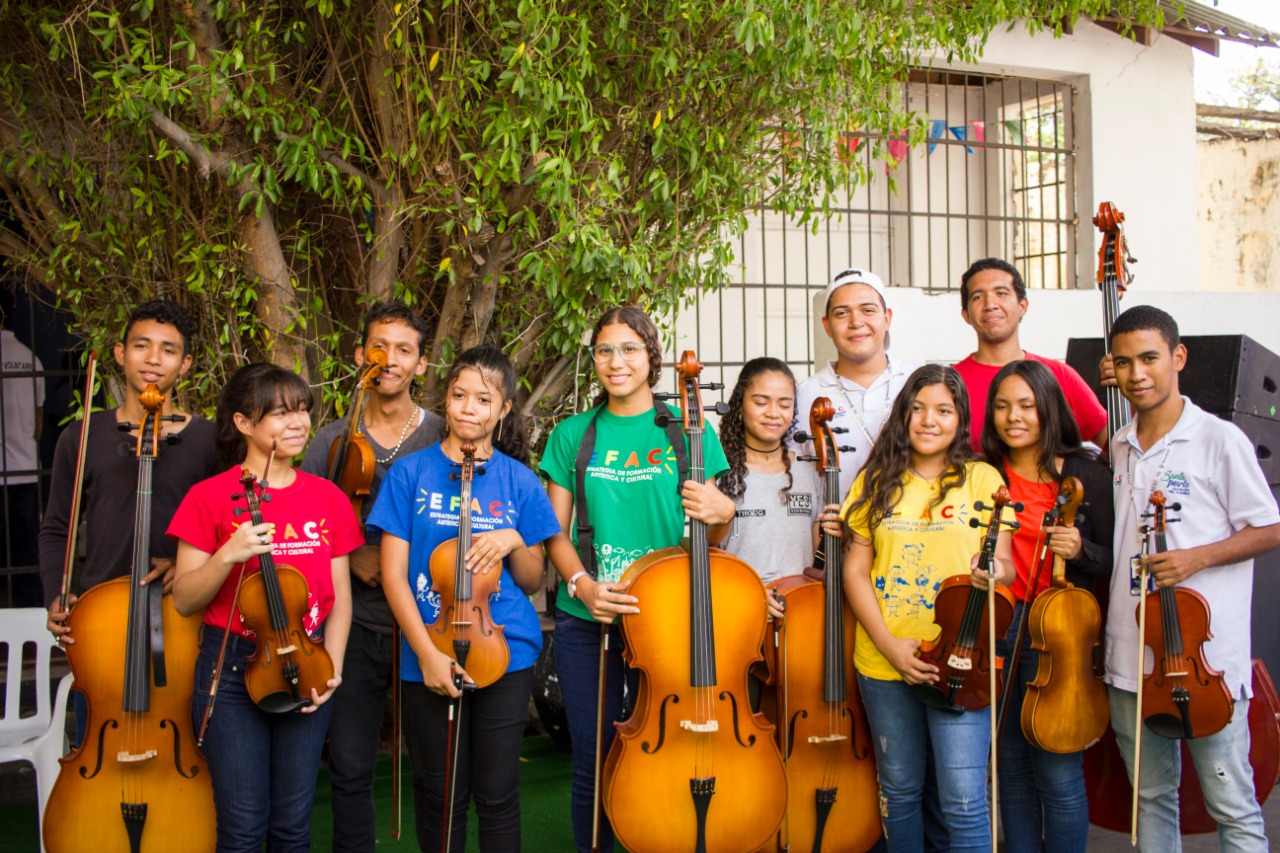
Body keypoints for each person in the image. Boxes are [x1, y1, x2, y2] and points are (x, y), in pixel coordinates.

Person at [539, 306, 736, 853]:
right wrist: (582, 585)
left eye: (629, 349)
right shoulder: (572, 434)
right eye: (604, 350)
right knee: (594, 758)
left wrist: (725, 514)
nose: (616, 361)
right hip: (589, 619)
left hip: (671, 618)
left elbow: (710, 537)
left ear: (652, 357)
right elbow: (554, 532)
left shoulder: (691, 431)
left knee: (672, 749)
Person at [1103, 305, 1280, 852]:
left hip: (1205, 665)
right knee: (1151, 799)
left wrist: (1196, 558)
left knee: (1233, 806)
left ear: (1178, 357)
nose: (1137, 374)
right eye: (1124, 362)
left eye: (1150, 358)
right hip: (1131, 657)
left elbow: (1270, 527)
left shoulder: (1220, 439)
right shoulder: (1119, 444)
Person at [369, 344, 559, 852]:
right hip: (428, 647)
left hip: (505, 648)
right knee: (439, 792)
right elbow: (393, 576)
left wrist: (515, 539)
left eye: (483, 399)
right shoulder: (409, 474)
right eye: (458, 395)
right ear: (446, 399)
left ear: (504, 409)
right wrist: (426, 655)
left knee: (498, 793)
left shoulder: (520, 480)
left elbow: (531, 579)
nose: (468, 408)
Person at [169, 363, 362, 853]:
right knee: (242, 829)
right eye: (279, 413)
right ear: (242, 423)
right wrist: (227, 554)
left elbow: (340, 598)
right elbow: (185, 599)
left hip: (308, 660)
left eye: (301, 410)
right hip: (234, 669)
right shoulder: (208, 497)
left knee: (293, 827)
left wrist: (333, 669)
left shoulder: (328, 498)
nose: (297, 422)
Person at [840, 364, 1013, 853]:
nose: (928, 420)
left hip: (960, 661)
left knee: (964, 801)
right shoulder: (875, 480)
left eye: (943, 410)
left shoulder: (982, 478)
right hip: (884, 660)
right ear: (903, 415)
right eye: (917, 409)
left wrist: (994, 572)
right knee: (899, 792)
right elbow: (855, 572)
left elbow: (1005, 564)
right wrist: (891, 648)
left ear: (960, 419)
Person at [298, 301, 444, 852]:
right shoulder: (330, 440)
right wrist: (351, 554)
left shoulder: (441, 434)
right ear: (360, 355)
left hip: (427, 619)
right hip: (353, 620)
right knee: (350, 764)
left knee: (434, 768)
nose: (390, 360)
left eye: (404, 350)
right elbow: (303, 525)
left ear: (421, 364)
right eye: (379, 347)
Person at [979, 359, 1113, 853]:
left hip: (1058, 636)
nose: (1013, 417)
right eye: (1002, 406)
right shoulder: (984, 474)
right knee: (1010, 766)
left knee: (1057, 769)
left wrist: (1082, 550)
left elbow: (1115, 559)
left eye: (1027, 405)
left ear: (1049, 409)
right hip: (1000, 628)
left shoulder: (1086, 474)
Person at [40, 299, 216, 643]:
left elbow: (227, 530)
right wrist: (55, 594)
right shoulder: (81, 436)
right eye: (141, 346)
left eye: (168, 350)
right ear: (120, 353)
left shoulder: (210, 440)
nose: (153, 359)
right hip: (102, 611)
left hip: (184, 612)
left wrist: (183, 564)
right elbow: (58, 528)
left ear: (185, 364)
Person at [715, 356, 838, 605]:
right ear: (740, 404)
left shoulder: (809, 471)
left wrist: (835, 535)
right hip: (738, 607)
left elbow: (814, 552)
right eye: (761, 402)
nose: (773, 413)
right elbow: (710, 556)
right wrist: (750, 595)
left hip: (801, 609)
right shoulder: (719, 471)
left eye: (785, 404)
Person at [952, 258, 1107, 453]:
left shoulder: (1060, 375)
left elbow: (1117, 448)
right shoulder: (950, 384)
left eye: (1001, 293)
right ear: (966, 314)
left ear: (1022, 306)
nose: (990, 304)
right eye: (977, 297)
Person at [791, 267, 917, 501]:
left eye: (868, 310)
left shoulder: (919, 383)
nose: (856, 322)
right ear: (827, 325)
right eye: (842, 313)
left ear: (887, 318)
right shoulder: (804, 395)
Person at [0, 285, 45, 605]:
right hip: (27, 467)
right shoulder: (32, 359)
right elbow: (38, 424)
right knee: (27, 550)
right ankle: (28, 609)